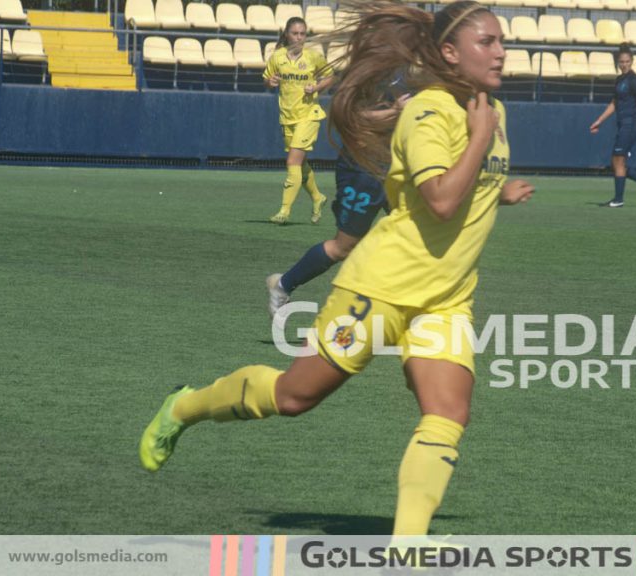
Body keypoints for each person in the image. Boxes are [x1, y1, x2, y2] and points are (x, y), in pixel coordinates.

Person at [139, 0, 535, 539]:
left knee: (448, 412)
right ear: (449, 52)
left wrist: (497, 193)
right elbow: (440, 200)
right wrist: (481, 142)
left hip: (444, 298)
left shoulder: (490, 109)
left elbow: (459, 191)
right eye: (487, 42)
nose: (501, 52)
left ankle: (407, 547)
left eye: (501, 40)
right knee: (293, 397)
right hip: (381, 287)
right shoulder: (430, 112)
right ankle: (183, 407)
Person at [265, 90, 413, 318]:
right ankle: (283, 285)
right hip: (364, 167)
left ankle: (406, 308)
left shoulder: (425, 70)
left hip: (400, 165)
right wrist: (395, 111)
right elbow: (351, 117)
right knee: (343, 246)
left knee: (418, 237)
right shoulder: (373, 70)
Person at [264, 17, 335, 225]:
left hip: (309, 115)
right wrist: (270, 81)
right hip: (288, 117)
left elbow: (330, 76)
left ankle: (284, 211)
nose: (299, 37)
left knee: (292, 162)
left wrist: (317, 88)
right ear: (287, 34)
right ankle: (317, 197)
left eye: (303, 34)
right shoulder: (277, 57)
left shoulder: (313, 57)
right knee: (301, 164)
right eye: (295, 33)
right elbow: (267, 80)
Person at [589, 43, 636, 208]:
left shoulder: (634, 80)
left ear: (632, 61)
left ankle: (619, 199)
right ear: (618, 62)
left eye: (627, 61)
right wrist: (599, 121)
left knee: (618, 161)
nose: (624, 64)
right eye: (622, 61)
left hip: (632, 125)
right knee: (616, 163)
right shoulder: (619, 80)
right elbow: (614, 103)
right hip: (624, 125)